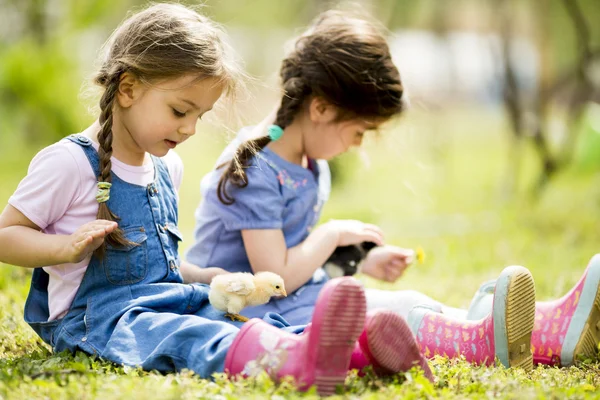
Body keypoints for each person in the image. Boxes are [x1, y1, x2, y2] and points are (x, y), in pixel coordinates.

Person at [0, 4, 433, 396]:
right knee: (186, 336)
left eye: (199, 116)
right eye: (179, 111)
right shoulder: (70, 164)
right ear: (128, 89)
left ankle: (355, 355)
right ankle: (299, 363)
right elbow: (7, 235)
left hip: (165, 297)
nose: (190, 129)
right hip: (100, 320)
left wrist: (202, 274)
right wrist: (60, 248)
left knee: (240, 317)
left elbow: (160, 266)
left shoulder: (166, 167)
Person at [186, 9, 600, 371]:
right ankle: (485, 344)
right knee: (396, 312)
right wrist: (332, 235)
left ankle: (550, 331)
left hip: (294, 298)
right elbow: (272, 278)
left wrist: (359, 261)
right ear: (322, 109)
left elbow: (297, 259)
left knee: (411, 301)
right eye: (360, 130)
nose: (359, 144)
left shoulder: (308, 163)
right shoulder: (255, 169)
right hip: (250, 316)